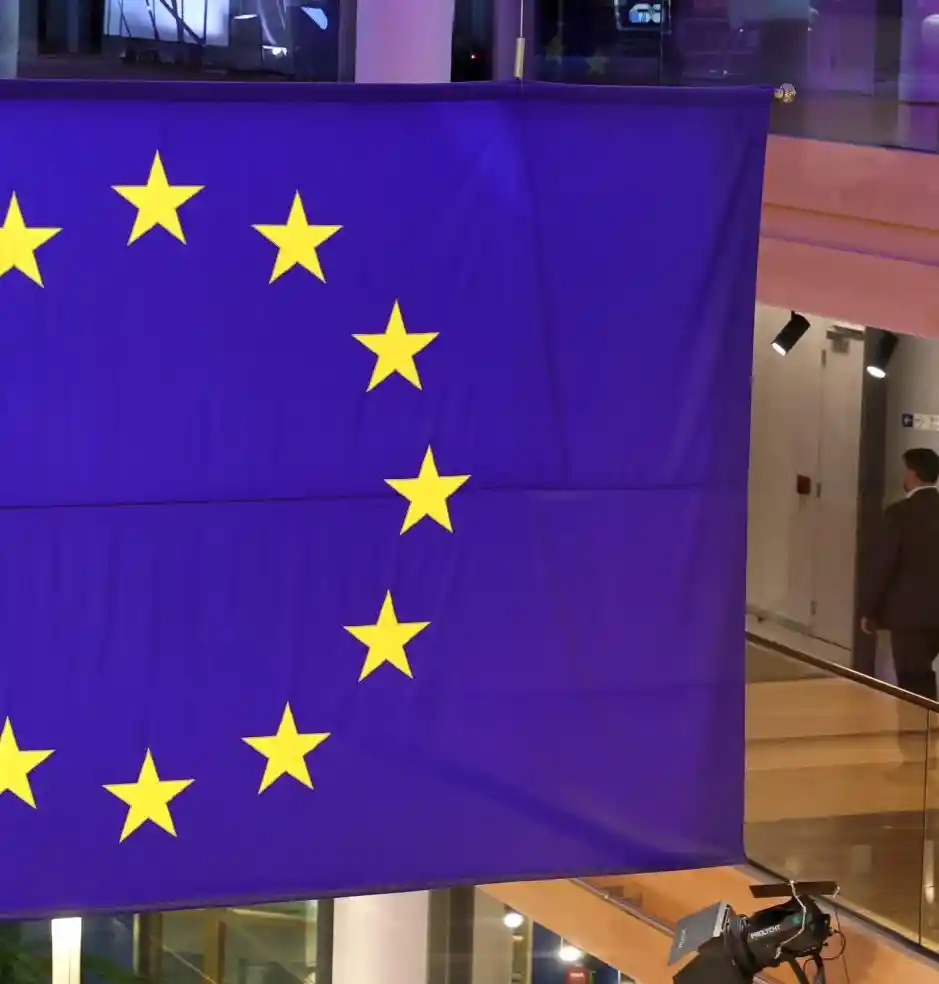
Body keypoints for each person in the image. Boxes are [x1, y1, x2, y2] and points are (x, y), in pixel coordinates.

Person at [861, 447, 939, 700]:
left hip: (910, 615)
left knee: (913, 681)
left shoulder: (899, 514)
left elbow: (884, 565)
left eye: (906, 470)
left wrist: (870, 610)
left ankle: (920, 724)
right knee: (922, 674)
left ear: (913, 474)